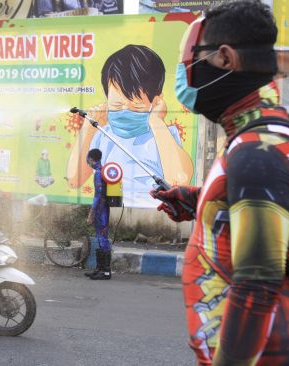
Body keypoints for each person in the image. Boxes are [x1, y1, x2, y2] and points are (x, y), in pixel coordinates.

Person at [152, 2, 289, 364]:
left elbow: (257, 287)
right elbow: (260, 214)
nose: (184, 75)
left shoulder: (260, 151)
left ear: (225, 59)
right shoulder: (256, 138)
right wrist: (198, 201)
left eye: (188, 63)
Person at [66, 44, 194, 208]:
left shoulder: (164, 135)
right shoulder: (103, 135)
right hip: (111, 211)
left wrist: (156, 121)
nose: (125, 110)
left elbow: (180, 180)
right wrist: (88, 129)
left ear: (156, 101)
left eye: (136, 106)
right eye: (117, 104)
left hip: (154, 214)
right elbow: (73, 180)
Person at [84, 149, 112, 280]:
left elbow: (97, 196)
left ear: (90, 158)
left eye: (88, 158)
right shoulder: (103, 171)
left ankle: (105, 271)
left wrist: (91, 213)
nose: (87, 161)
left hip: (101, 211)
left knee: (102, 238)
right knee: (101, 238)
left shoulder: (99, 173)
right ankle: (99, 269)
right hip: (103, 209)